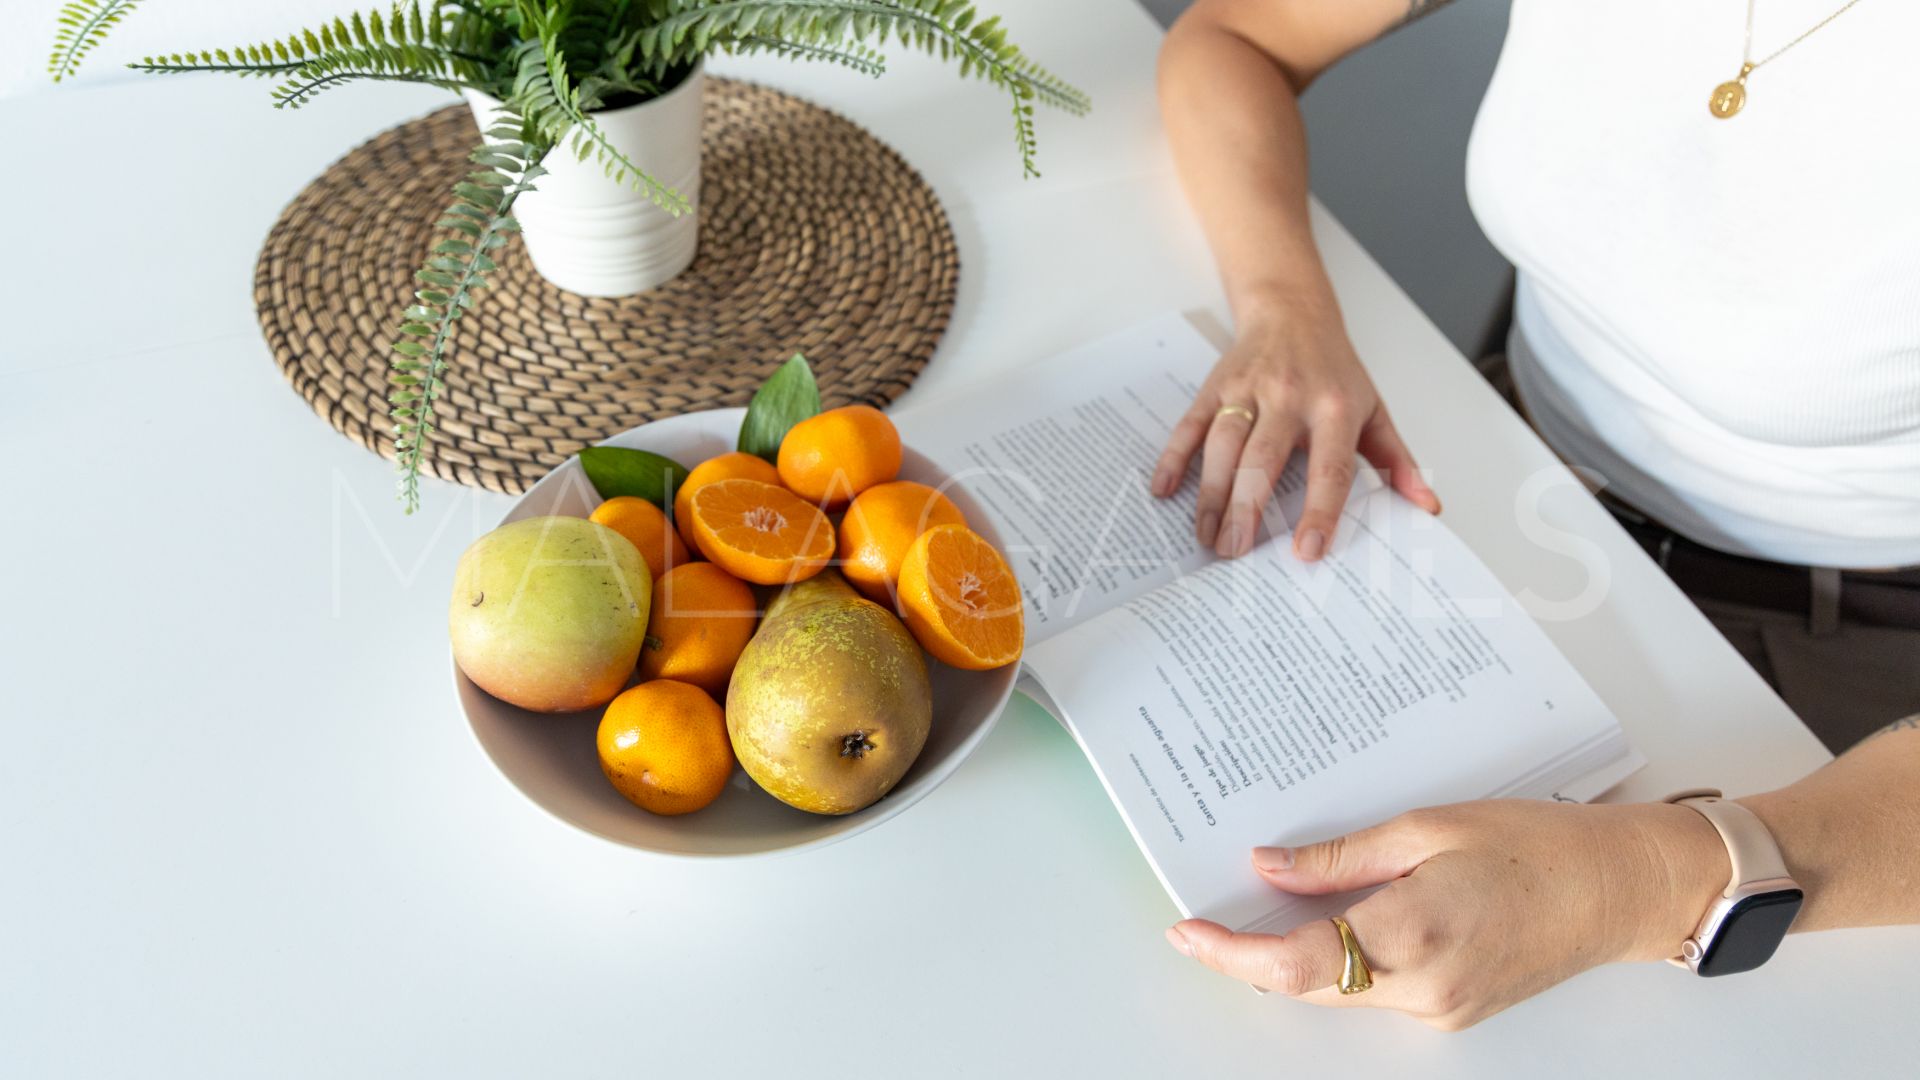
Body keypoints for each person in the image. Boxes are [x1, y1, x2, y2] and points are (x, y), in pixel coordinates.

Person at [1151, 0, 1920, 1029]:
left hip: (1813, 666)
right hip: (1481, 474)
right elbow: (1235, 39)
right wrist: (1285, 302)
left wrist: (1644, 883)